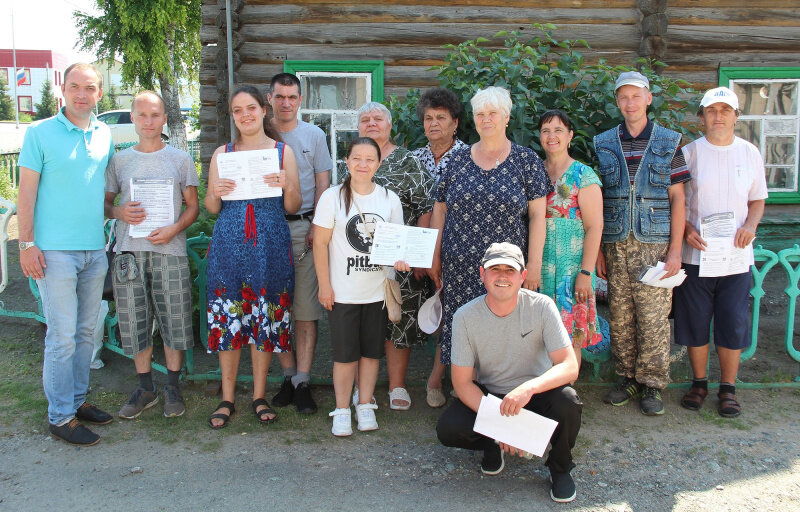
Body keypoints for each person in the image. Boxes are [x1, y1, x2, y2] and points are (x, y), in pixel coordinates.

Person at [436, 242, 582, 503]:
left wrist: (528, 389)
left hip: (535, 394)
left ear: (523, 276)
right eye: (495, 269)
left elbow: (569, 365)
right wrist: (502, 426)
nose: (502, 276)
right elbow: (461, 383)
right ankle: (493, 444)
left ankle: (560, 468)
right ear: (482, 274)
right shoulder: (465, 317)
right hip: (493, 397)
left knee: (568, 401)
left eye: (510, 270)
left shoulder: (542, 306)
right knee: (449, 428)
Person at [17, 62, 115, 446]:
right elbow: (26, 193)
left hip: (94, 249)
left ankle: (76, 402)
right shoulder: (39, 133)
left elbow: (99, 191)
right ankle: (60, 417)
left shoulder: (105, 133)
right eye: (74, 87)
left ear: (99, 94)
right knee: (61, 336)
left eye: (89, 88)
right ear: (62, 89)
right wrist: (26, 244)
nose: (81, 95)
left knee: (85, 332)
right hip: (53, 252)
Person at [428, 86, 550, 372]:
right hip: (459, 264)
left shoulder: (526, 161)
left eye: (493, 113)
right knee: (460, 324)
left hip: (504, 269)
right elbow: (440, 210)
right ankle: (459, 384)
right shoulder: (457, 160)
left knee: (502, 324)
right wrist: (434, 257)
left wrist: (533, 265)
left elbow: (537, 217)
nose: (486, 119)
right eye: (480, 114)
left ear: (506, 118)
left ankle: (496, 386)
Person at [204, 85, 302, 429]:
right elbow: (211, 207)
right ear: (233, 116)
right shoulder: (223, 153)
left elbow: (293, 205)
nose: (245, 115)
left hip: (269, 246)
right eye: (237, 110)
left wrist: (286, 183)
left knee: (264, 318)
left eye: (251, 108)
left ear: (264, 110)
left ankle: (259, 394)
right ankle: (227, 397)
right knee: (228, 318)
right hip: (229, 247)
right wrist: (215, 191)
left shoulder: (281, 152)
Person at [593, 71, 689, 415]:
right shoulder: (604, 142)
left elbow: (679, 198)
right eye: (623, 97)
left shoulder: (668, 141)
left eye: (636, 96)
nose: (630, 103)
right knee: (619, 315)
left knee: (653, 317)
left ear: (648, 98)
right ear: (617, 102)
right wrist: (602, 248)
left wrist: (676, 250)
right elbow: (600, 198)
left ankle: (652, 384)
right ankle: (627, 378)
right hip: (616, 242)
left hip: (655, 243)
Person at [104, 90, 199, 420]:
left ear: (164, 119)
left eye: (154, 115)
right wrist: (119, 213)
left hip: (169, 251)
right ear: (132, 118)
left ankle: (173, 386)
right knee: (134, 320)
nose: (148, 121)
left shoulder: (179, 159)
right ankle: (146, 388)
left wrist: (174, 229)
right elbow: (106, 203)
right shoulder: (119, 160)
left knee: (175, 318)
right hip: (130, 252)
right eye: (142, 115)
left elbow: (193, 206)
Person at [674, 86, 767, 418]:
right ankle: (699, 383)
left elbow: (757, 199)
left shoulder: (750, 153)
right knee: (695, 322)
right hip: (697, 254)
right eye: (711, 111)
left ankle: (728, 388)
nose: (718, 116)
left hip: (736, 256)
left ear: (736, 117)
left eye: (725, 110)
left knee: (732, 322)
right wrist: (686, 230)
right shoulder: (689, 153)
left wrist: (751, 226)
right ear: (701, 118)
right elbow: (678, 201)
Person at [342, 101, 434, 411]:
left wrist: (420, 254)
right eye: (365, 119)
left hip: (401, 259)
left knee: (399, 321)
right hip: (358, 259)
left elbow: (425, 207)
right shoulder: (355, 159)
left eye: (377, 118)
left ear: (389, 125)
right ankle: (360, 388)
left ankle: (397, 385)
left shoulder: (408, 161)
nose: (371, 123)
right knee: (359, 323)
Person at [314, 137, 405, 436]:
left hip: (377, 293)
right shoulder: (332, 198)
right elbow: (320, 243)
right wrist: (324, 285)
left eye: (370, 159)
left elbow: (398, 246)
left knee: (370, 355)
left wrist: (403, 261)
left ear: (379, 164)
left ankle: (364, 404)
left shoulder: (389, 199)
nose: (363, 164)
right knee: (344, 356)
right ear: (347, 161)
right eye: (357, 158)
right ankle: (341, 409)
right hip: (342, 293)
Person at [267, 73, 333, 415]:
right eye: (280, 97)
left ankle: (304, 381)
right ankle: (288, 376)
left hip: (303, 227)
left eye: (292, 97)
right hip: (266, 228)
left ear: (301, 99)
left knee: (305, 312)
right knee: (277, 308)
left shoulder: (314, 135)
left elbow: (324, 182)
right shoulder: (259, 134)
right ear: (270, 99)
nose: (286, 103)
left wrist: (316, 225)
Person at [412, 87, 468, 408]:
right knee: (425, 312)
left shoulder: (467, 157)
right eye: (429, 118)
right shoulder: (413, 159)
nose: (434, 123)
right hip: (418, 248)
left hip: (456, 248)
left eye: (441, 118)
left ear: (455, 123)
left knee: (452, 314)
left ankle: (439, 378)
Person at [538, 109, 604, 372]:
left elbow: (594, 226)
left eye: (558, 130)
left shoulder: (583, 175)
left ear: (570, 136)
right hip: (539, 267)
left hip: (571, 269)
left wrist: (586, 273)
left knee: (568, 337)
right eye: (545, 130)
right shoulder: (535, 171)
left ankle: (565, 395)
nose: (551, 136)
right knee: (538, 335)